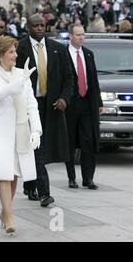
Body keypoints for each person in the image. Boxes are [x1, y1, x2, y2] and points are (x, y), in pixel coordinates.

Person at [0, 36, 42, 235]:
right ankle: (9, 217)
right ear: (0, 55)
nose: (16, 55)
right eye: (11, 52)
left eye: (15, 51)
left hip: (20, 129)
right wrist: (19, 82)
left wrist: (36, 130)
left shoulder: (22, 75)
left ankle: (4, 212)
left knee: (15, 174)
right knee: (3, 173)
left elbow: (32, 104)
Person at [16, 14, 73, 207]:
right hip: (28, 104)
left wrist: (64, 98)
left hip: (51, 105)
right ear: (28, 27)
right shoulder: (19, 48)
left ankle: (30, 185)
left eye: (43, 25)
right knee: (36, 146)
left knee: (42, 146)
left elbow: (68, 77)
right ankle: (44, 193)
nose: (40, 28)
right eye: (36, 25)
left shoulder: (57, 48)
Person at [64, 24, 103, 190]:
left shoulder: (88, 54)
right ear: (70, 36)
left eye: (83, 34)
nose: (81, 37)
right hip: (70, 104)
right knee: (70, 142)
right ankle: (72, 178)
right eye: (78, 34)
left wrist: (99, 102)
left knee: (88, 140)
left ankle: (88, 178)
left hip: (87, 103)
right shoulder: (63, 54)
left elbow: (93, 80)